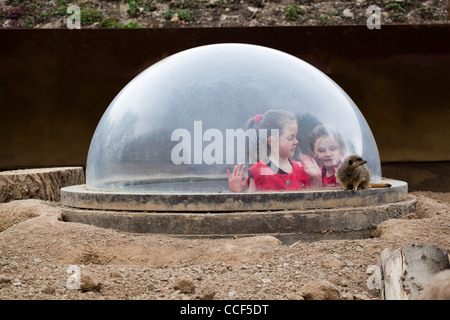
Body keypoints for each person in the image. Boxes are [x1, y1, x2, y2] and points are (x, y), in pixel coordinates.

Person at [227, 109, 321, 192]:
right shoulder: (257, 172)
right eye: (290, 138)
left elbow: (312, 204)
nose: (296, 141)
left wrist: (317, 178)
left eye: (295, 136)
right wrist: (237, 193)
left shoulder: (302, 169)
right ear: (272, 141)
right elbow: (249, 206)